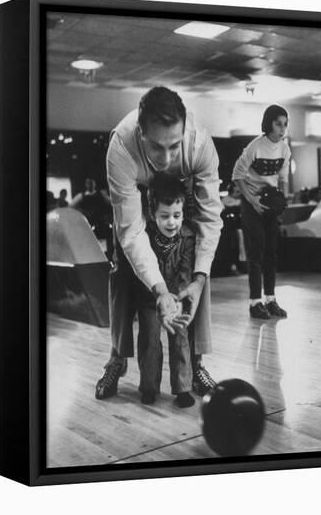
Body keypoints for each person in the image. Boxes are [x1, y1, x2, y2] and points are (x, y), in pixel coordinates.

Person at [95, 86, 223, 400]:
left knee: (196, 272)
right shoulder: (121, 147)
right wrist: (160, 290)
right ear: (141, 133)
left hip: (178, 202)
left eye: (174, 146)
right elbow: (132, 233)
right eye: (156, 147)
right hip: (140, 209)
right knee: (122, 268)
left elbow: (210, 219)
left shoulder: (200, 145)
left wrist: (199, 278)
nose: (165, 159)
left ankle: (195, 365)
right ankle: (117, 359)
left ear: (184, 132)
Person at [136, 173, 196, 408]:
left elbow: (186, 271)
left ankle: (182, 388)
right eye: (165, 216)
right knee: (150, 339)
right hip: (150, 298)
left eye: (177, 216)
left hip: (177, 298)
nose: (172, 222)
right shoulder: (145, 237)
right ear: (152, 215)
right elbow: (141, 268)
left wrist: (178, 299)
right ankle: (149, 387)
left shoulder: (188, 237)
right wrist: (158, 296)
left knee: (180, 336)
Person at [232, 104, 291, 319]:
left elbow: (283, 180)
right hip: (251, 202)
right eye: (278, 124)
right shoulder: (254, 147)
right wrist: (251, 200)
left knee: (271, 253)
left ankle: (270, 300)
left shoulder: (285, 149)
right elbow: (237, 175)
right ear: (268, 124)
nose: (282, 129)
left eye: (285, 124)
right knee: (255, 252)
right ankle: (255, 303)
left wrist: (281, 204)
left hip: (270, 202)